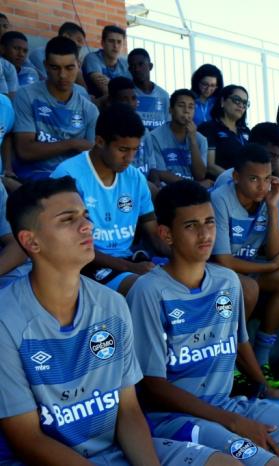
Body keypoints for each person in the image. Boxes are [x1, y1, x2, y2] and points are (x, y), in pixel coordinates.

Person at [0, 177, 241, 466]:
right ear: (30, 241)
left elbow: (127, 409)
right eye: (68, 220)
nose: (87, 226)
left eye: (86, 216)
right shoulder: (6, 319)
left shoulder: (112, 305)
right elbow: (27, 439)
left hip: (115, 451)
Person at [126, 179, 279, 466]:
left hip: (228, 406)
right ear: (166, 234)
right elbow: (153, 385)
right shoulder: (148, 292)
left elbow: (239, 343)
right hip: (174, 419)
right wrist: (234, 422)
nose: (205, 234)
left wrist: (262, 386)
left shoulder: (227, 282)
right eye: (191, 226)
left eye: (210, 222)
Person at [51, 103, 166, 295]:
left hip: (128, 261)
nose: (130, 158)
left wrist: (182, 254)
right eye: (123, 149)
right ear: (100, 141)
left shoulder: (135, 177)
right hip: (84, 265)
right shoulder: (68, 175)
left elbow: (152, 230)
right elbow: (68, 245)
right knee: (148, 291)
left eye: (135, 150)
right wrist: (129, 268)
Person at [210, 143, 279, 388]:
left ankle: (261, 359)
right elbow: (223, 260)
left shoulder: (270, 197)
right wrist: (270, 267)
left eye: (267, 178)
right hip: (219, 271)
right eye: (254, 179)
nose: (262, 186)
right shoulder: (220, 198)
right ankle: (230, 360)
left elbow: (273, 252)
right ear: (236, 177)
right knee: (248, 288)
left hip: (247, 266)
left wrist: (272, 207)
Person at [12, 36, 98, 182]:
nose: (62, 75)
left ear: (78, 65)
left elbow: (93, 156)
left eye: (69, 68)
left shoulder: (89, 109)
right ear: (45, 65)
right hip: (34, 175)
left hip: (74, 179)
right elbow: (25, 150)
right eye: (55, 67)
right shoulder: (26, 95)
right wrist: (72, 143)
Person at [145, 89, 210, 186]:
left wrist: (193, 141)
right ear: (170, 109)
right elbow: (161, 173)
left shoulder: (200, 140)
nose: (186, 111)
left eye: (191, 107)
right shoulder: (155, 136)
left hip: (194, 191)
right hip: (169, 190)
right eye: (181, 106)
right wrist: (195, 185)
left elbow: (200, 175)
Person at [198, 84, 251, 178]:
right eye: (236, 100)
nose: (241, 105)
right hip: (221, 184)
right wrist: (237, 179)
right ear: (222, 101)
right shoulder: (208, 128)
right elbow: (210, 166)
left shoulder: (246, 131)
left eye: (245, 103)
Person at [82, 25, 130, 98]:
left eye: (119, 42)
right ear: (102, 43)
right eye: (111, 41)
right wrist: (120, 87)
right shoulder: (92, 58)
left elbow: (130, 89)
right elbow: (104, 88)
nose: (115, 46)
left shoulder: (125, 64)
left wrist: (110, 83)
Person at [127, 48, 170, 131]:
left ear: (150, 66)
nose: (137, 69)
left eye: (141, 64)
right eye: (133, 66)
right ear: (129, 70)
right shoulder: (127, 94)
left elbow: (168, 125)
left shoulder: (163, 95)